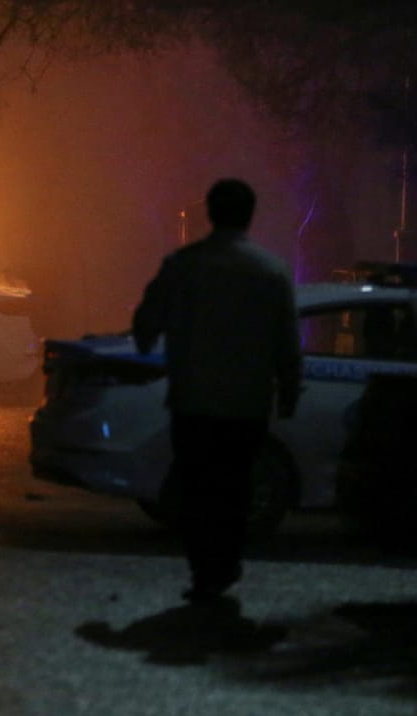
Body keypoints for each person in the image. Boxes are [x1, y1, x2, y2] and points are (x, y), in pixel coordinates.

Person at [131, 178, 301, 603]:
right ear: (250, 215)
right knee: (235, 485)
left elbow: (146, 321)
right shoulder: (271, 271)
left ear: (209, 212)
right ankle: (225, 563)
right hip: (246, 405)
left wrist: (150, 339)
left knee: (197, 484)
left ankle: (205, 566)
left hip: (194, 401)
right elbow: (287, 340)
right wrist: (290, 389)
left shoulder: (184, 265)